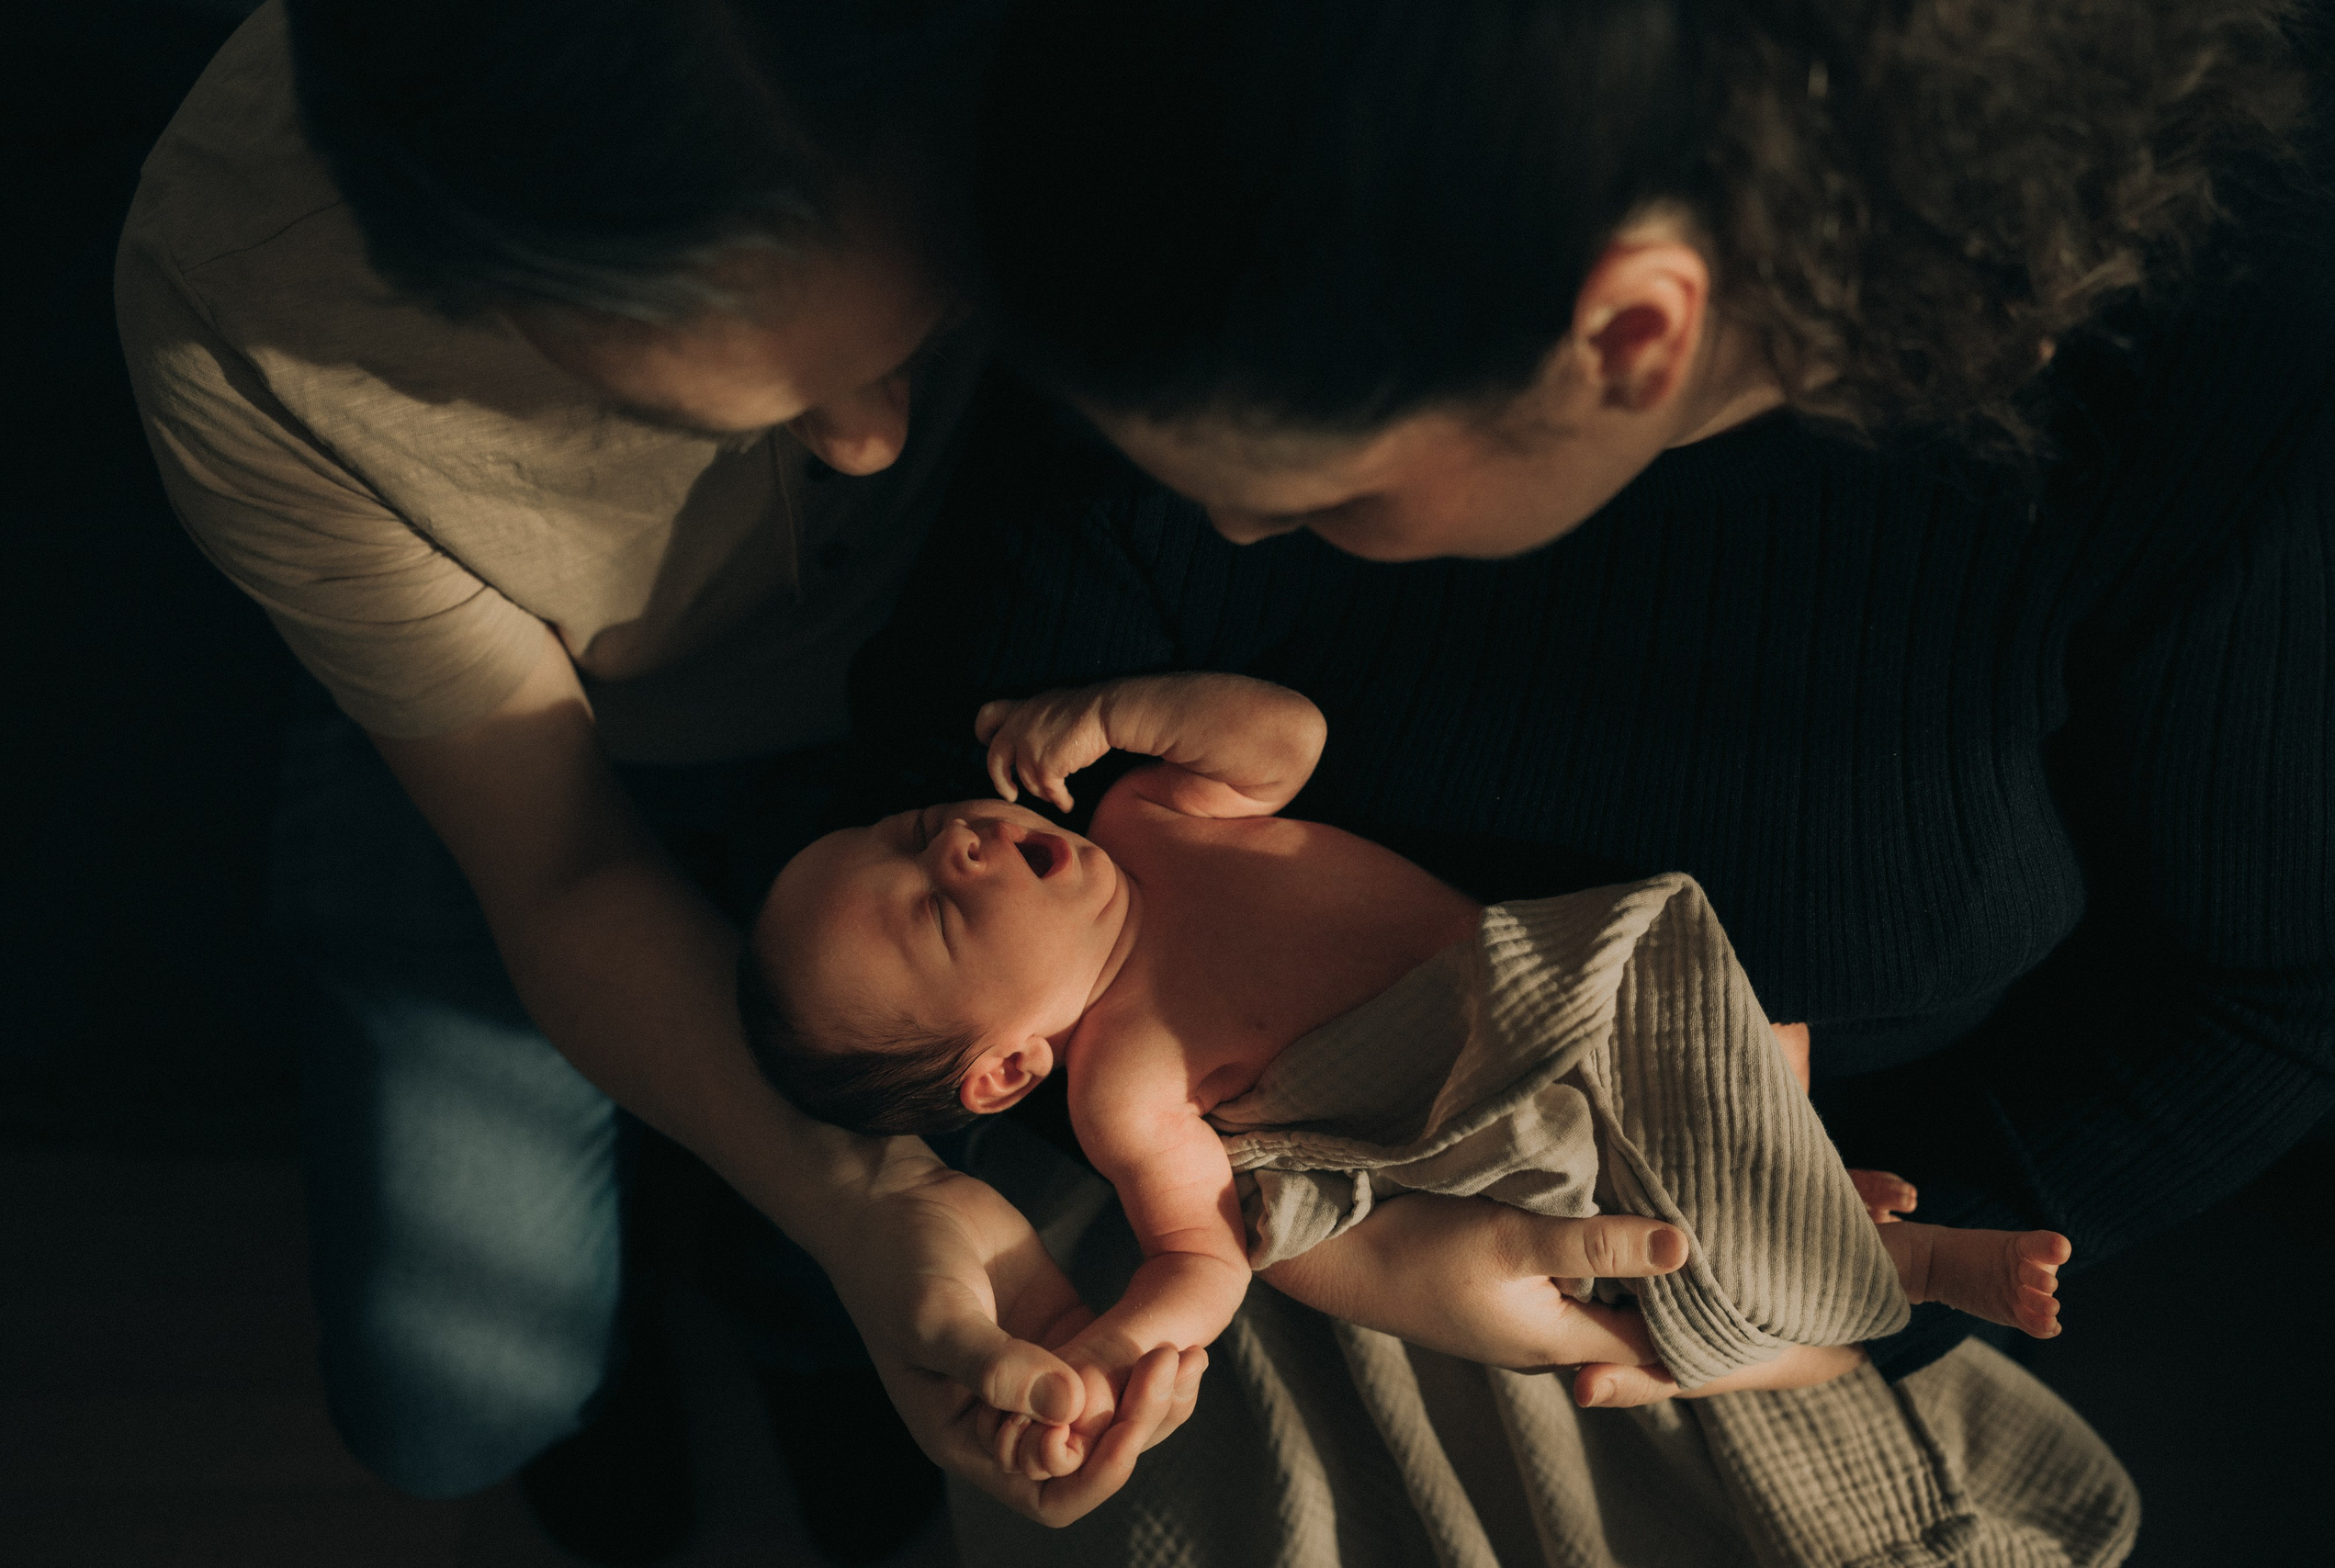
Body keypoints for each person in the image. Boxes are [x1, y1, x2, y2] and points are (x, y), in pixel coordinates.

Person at [817, 0, 2326, 1555]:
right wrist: (1355, 1246)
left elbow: (2269, 990)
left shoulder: (2224, 385)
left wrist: (1861, 1261)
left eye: (1326, 493)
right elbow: (942, 784)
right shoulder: (1208, 161)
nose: (1237, 533)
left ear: (1627, 343)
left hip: (1767, 1219)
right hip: (1273, 1179)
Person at [111, 2, 1216, 1560]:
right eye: (734, 397)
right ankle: (645, 1341)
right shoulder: (245, 310)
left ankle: (770, 1311)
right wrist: (848, 1204)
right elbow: (560, 867)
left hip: (941, 676)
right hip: (526, 749)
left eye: (924, 316)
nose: (867, 443)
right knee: (451, 1406)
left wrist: (863, 1219)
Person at [750, 670, 2071, 1468]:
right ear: (1004, 1071)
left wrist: (1115, 713)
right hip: (1480, 1113)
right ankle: (1909, 1265)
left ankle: (1836, 1217)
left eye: (920, 830)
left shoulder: (1144, 809)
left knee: (1746, 1063)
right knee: (1675, 1223)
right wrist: (1116, 1350)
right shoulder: (1122, 1084)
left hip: (1548, 976)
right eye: (936, 911)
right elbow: (1204, 1255)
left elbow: (1286, 743)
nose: (964, 849)